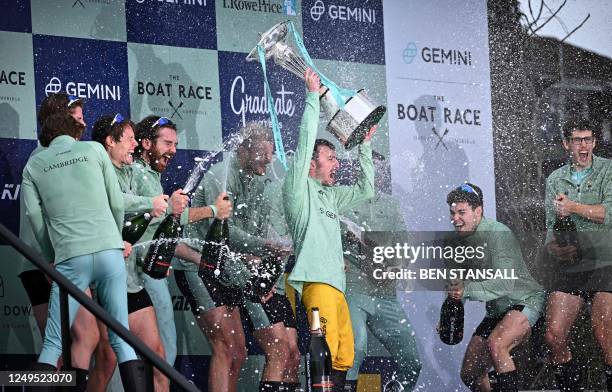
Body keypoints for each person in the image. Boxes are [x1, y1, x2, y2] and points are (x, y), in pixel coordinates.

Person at [21, 112, 146, 390]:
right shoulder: (94, 149)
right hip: (109, 252)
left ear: (47, 136)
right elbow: (116, 202)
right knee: (121, 340)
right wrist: (114, 238)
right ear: (74, 132)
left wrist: (50, 255)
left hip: (70, 259)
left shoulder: (33, 164)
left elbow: (34, 215)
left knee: (53, 345)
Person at [174, 122, 297, 392]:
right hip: (197, 263)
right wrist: (264, 246)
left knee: (238, 352)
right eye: (262, 157)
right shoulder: (223, 175)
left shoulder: (258, 179)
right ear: (243, 150)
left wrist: (262, 260)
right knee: (226, 347)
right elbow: (225, 231)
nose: (267, 163)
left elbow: (250, 232)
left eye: (270, 157)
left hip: (227, 265)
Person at [283, 68, 376, 391]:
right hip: (315, 285)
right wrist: (311, 96)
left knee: (343, 359)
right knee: (322, 357)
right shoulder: (298, 187)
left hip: (337, 287)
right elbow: (305, 138)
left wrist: (364, 145)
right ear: (311, 162)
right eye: (330, 157)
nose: (337, 163)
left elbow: (366, 190)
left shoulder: (331, 196)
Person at [130, 115, 231, 369]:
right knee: (163, 355)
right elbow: (174, 215)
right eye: (167, 143)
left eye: (175, 144)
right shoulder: (140, 174)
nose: (173, 150)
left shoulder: (147, 174)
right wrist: (213, 210)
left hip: (144, 273)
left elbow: (164, 223)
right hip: (142, 275)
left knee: (137, 354)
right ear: (145, 143)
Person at [17, 93, 100, 388]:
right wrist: (50, 263)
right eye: (76, 119)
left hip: (42, 262)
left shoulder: (42, 157)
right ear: (60, 121)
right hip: (52, 261)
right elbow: (47, 217)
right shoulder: (48, 159)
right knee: (83, 337)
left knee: (62, 349)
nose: (83, 124)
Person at [89, 114, 169, 391]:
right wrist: (151, 203)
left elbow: (143, 218)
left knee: (158, 357)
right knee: (107, 357)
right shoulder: (96, 170)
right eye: (130, 139)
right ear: (109, 142)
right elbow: (112, 201)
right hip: (102, 278)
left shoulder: (131, 170)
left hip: (131, 281)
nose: (136, 145)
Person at [442, 183, 545, 392]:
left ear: (478, 211)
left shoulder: (499, 234)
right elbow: (457, 285)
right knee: (470, 374)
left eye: (462, 212)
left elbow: (505, 283)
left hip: (524, 300)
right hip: (497, 310)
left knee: (497, 344)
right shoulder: (452, 244)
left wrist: (466, 290)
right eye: (452, 213)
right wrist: (450, 308)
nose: (456, 219)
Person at [342, 152, 421, 391]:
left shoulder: (391, 204)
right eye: (368, 167)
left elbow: (404, 244)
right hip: (354, 290)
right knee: (355, 349)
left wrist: (399, 263)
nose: (374, 172)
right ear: (359, 170)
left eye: (379, 168)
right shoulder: (344, 200)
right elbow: (342, 238)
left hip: (385, 294)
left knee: (411, 360)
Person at [543, 119, 612, 391]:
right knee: (553, 335)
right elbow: (550, 228)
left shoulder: (608, 169)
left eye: (587, 139)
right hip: (571, 264)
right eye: (577, 140)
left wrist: (572, 206)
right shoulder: (555, 179)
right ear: (566, 144)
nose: (583, 145)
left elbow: (608, 213)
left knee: (604, 332)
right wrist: (555, 247)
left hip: (606, 260)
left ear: (595, 142)